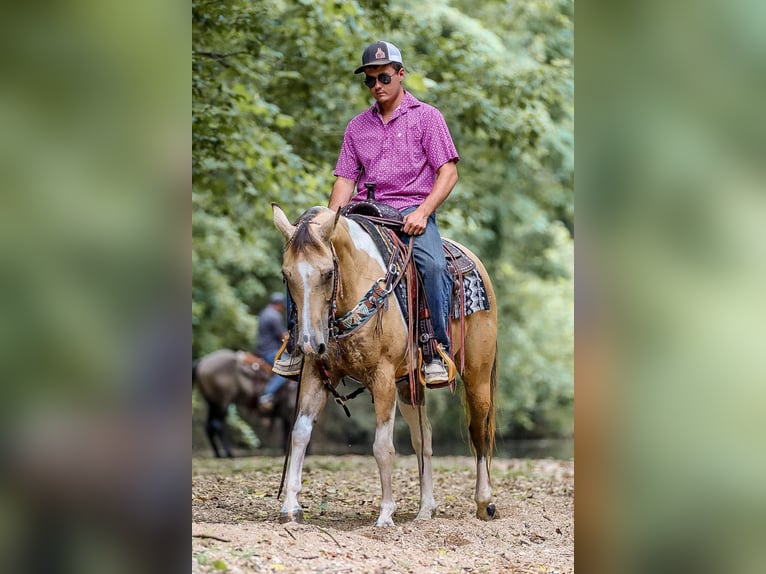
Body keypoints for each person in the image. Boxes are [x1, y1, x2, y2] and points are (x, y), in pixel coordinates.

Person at [274, 40, 458, 385]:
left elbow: (448, 172)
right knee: (303, 256)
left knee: (432, 265)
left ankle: (434, 348)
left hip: (410, 215)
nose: (377, 86)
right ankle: (296, 344)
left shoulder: (428, 118)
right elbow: (345, 180)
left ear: (401, 75)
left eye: (384, 77)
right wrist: (325, 226)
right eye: (370, 80)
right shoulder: (357, 127)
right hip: (363, 215)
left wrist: (424, 211)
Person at [255, 292, 291, 411]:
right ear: (279, 304)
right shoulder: (274, 316)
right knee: (284, 370)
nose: (282, 309)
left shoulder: (264, 312)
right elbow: (282, 335)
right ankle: (267, 394)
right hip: (270, 351)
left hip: (261, 348)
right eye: (282, 306)